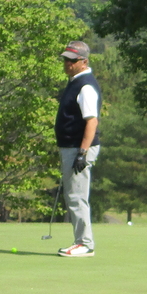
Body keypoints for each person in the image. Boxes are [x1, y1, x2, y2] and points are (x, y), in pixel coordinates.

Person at [55, 41, 101, 257]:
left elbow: (91, 121)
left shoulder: (85, 86)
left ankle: (85, 243)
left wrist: (82, 153)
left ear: (84, 62)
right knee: (73, 195)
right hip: (71, 147)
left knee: (77, 196)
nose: (67, 64)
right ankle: (81, 241)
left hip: (79, 148)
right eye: (65, 59)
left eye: (72, 61)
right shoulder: (74, 82)